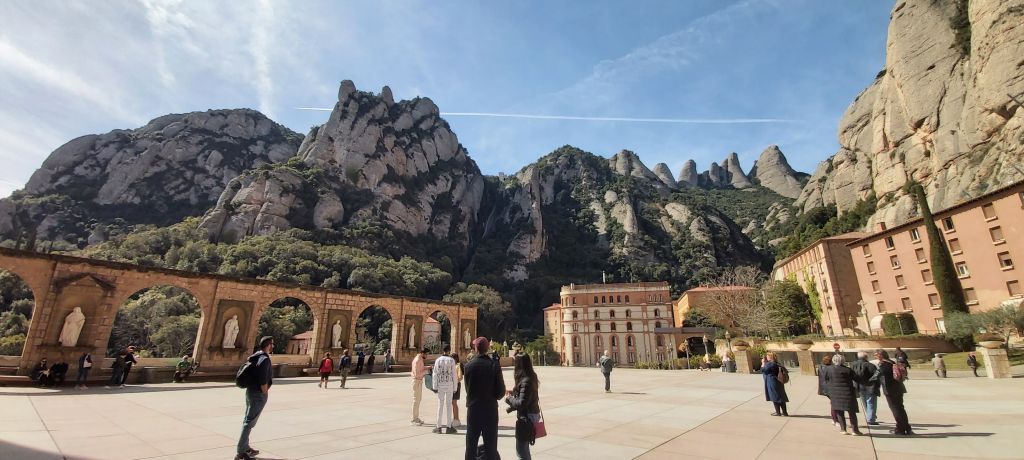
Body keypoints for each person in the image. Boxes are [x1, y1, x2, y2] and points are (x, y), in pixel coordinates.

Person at [464, 337, 506, 460]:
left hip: (474, 409)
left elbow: (468, 389)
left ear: (476, 349)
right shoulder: (494, 365)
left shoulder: (468, 366)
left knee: (471, 445)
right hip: (489, 410)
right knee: (491, 446)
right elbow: (500, 393)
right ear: (488, 348)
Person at [236, 336, 274, 460]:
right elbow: (263, 379)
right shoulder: (265, 359)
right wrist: (265, 392)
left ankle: (245, 447)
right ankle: (241, 452)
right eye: (272, 344)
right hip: (258, 393)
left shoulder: (255, 356)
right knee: (249, 422)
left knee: (248, 420)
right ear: (268, 345)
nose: (273, 346)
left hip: (250, 391)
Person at [506, 353, 540, 460]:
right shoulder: (531, 376)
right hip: (531, 414)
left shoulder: (526, 381)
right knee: (524, 449)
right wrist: (515, 393)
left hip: (527, 417)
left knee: (521, 451)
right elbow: (527, 396)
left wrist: (509, 399)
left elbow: (521, 403)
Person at [874, 349, 913, 436]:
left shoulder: (883, 365)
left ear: (880, 356)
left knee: (895, 409)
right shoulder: (892, 362)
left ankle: (900, 429)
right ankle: (907, 428)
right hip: (899, 388)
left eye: (876, 355)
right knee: (901, 408)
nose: (875, 357)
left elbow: (876, 376)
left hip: (890, 390)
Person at [825, 354, 862, 435]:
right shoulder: (848, 370)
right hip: (848, 393)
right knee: (852, 412)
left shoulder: (828, 369)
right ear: (843, 361)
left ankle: (843, 429)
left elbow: (826, 379)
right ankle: (855, 430)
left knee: (839, 412)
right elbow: (857, 379)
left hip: (835, 393)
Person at [433, 345, 458, 434]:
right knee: (449, 405)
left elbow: (435, 374)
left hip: (440, 384)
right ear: (449, 351)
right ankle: (448, 426)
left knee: (440, 405)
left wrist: (434, 386)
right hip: (449, 384)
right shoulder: (451, 360)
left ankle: (438, 426)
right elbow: (454, 374)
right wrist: (455, 387)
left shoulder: (438, 360)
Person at [851, 351, 880, 425]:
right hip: (870, 387)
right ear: (866, 357)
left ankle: (870, 416)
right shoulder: (870, 365)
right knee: (871, 403)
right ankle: (871, 418)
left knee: (865, 402)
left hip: (859, 386)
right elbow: (876, 375)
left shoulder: (853, 365)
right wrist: (871, 381)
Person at [761, 352, 789, 416]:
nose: (766, 357)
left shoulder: (770, 364)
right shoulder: (777, 363)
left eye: (767, 356)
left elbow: (763, 370)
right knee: (781, 397)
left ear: (770, 357)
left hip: (772, 382)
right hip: (779, 382)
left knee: (775, 397)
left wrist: (763, 363)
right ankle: (785, 412)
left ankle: (778, 412)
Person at [411, 347, 431, 425]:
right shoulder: (417, 360)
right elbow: (417, 374)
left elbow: (421, 368)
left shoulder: (419, 359)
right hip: (417, 381)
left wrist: (427, 367)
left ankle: (416, 417)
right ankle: (414, 419)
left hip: (418, 381)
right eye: (426, 354)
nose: (427, 356)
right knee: (416, 400)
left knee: (418, 400)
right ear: (422, 353)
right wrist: (426, 371)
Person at [818, 355, 838, 426]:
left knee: (833, 403)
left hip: (824, 388)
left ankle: (835, 419)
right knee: (834, 404)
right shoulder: (830, 368)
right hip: (831, 388)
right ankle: (835, 420)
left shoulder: (820, 367)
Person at [452, 352, 464, 428]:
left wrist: (454, 383)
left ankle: (456, 419)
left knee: (454, 402)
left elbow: (460, 377)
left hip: (455, 386)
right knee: (452, 403)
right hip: (452, 386)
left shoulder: (457, 366)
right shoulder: (453, 366)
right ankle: (455, 418)